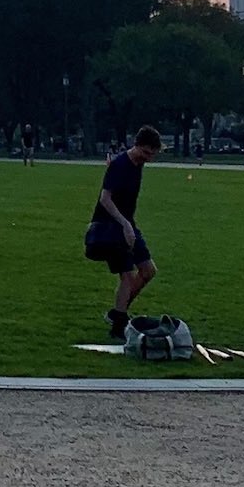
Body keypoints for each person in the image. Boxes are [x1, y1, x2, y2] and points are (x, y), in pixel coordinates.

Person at [92, 127, 163, 338]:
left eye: (153, 154)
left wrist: (128, 224)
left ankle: (117, 313)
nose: (149, 159)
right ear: (137, 145)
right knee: (127, 275)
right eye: (146, 153)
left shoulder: (137, 164)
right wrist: (124, 224)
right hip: (112, 225)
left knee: (148, 271)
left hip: (128, 224)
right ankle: (119, 326)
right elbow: (105, 198)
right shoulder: (120, 165)